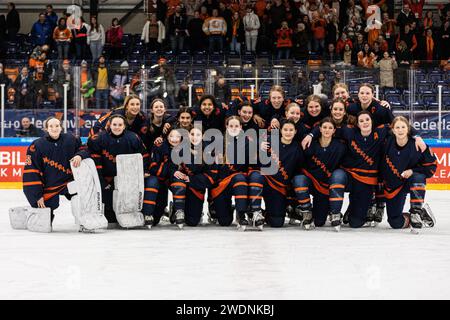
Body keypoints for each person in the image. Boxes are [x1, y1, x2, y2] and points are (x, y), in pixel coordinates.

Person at [86, 114, 150, 225]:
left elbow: (144, 156)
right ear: (109, 125)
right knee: (110, 217)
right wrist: (102, 181)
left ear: (124, 126)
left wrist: (143, 172)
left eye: (120, 125)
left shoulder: (133, 138)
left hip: (127, 178)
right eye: (114, 124)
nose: (117, 127)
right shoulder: (99, 138)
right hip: (106, 178)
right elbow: (95, 160)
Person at [22, 117, 86, 225]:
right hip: (49, 187)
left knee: (81, 198)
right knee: (44, 220)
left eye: (57, 126)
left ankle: (83, 222)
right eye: (51, 126)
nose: (54, 128)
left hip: (69, 183)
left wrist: (80, 155)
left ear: (61, 127)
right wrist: (37, 195)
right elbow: (31, 172)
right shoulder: (36, 146)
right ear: (46, 129)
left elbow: (84, 149)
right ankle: (43, 220)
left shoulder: (71, 139)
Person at [382, 116, 437, 229]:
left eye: (403, 127)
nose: (400, 130)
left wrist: (413, 171)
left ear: (408, 129)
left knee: (418, 177)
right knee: (395, 223)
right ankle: (421, 215)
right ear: (393, 130)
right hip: (393, 186)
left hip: (409, 182)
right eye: (397, 127)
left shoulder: (419, 145)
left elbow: (431, 168)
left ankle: (416, 211)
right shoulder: (386, 142)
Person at [248, 119, 304, 228]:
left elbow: (298, 171)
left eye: (291, 130)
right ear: (280, 131)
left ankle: (264, 213)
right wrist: (257, 144)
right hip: (264, 179)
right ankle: (255, 211)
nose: (288, 132)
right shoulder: (269, 140)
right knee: (256, 176)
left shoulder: (297, 148)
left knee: (277, 222)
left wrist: (291, 198)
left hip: (278, 186)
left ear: (295, 131)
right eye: (285, 129)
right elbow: (248, 144)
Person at [292, 117, 346, 229]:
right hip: (312, 182)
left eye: (330, 128)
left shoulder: (340, 146)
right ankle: (306, 211)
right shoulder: (310, 144)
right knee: (299, 179)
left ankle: (333, 212)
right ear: (320, 129)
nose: (327, 130)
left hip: (326, 186)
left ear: (334, 131)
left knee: (319, 222)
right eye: (324, 127)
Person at [210, 116, 250, 228]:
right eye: (231, 126)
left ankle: (241, 214)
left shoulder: (247, 143)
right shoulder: (218, 142)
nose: (233, 128)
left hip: (238, 181)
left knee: (240, 178)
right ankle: (229, 208)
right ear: (226, 127)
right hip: (222, 183)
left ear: (241, 127)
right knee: (224, 222)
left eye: (236, 126)